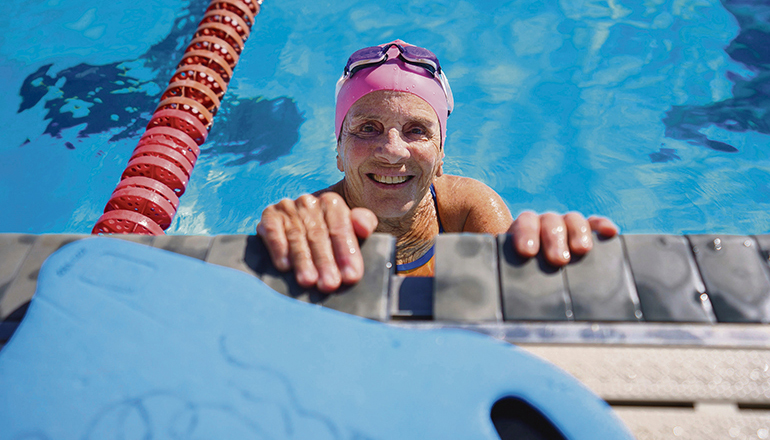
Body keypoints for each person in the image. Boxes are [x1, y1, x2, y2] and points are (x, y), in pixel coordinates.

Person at [257, 40, 617, 293]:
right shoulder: (319, 218)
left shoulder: (467, 209)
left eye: (417, 131)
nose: (392, 152)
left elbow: (520, 294)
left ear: (441, 154)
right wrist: (277, 242)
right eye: (368, 128)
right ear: (338, 152)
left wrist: (549, 254)